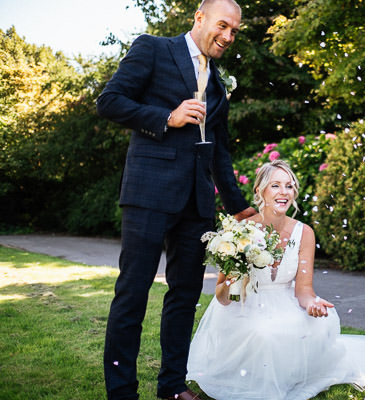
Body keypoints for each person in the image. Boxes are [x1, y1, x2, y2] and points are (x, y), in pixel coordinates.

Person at [96, 1, 255, 399]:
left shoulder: (219, 83)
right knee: (132, 293)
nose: (228, 36)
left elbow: (218, 149)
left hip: (197, 204)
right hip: (149, 193)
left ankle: (170, 387)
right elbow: (110, 101)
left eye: (235, 31)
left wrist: (238, 206)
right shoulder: (153, 48)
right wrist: (167, 116)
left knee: (184, 297)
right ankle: (121, 392)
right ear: (199, 18)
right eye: (223, 26)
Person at [186, 160, 365, 400]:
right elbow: (223, 298)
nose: (284, 192)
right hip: (244, 307)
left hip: (285, 301)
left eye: (289, 186)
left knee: (318, 325)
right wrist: (235, 279)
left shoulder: (304, 233)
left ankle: (291, 374)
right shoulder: (238, 232)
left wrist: (311, 304)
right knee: (264, 333)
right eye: (275, 185)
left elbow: (304, 290)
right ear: (260, 191)